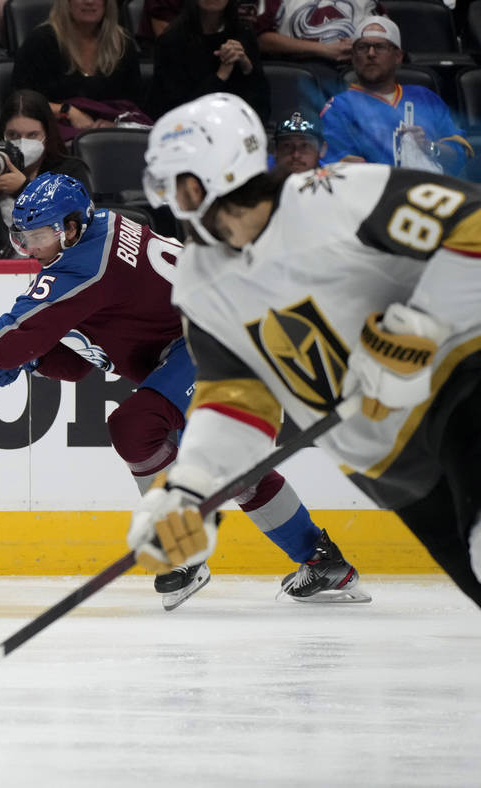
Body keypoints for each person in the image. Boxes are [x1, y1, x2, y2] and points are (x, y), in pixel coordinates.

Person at [0, 172, 367, 609]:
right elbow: (80, 346)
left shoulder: (85, 266)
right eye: (21, 238)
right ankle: (324, 563)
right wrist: (34, 361)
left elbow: (16, 332)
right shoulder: (99, 231)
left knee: (136, 427)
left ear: (69, 227)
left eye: (40, 236)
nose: (30, 249)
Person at [134, 91, 481, 609]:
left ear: (214, 176)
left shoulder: (337, 196)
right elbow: (237, 397)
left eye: (174, 183)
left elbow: (471, 222)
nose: (166, 198)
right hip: (391, 470)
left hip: (461, 394)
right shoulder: (199, 282)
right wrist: (191, 488)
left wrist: (422, 329)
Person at [320, 17, 472, 176]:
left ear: (398, 57)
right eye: (362, 47)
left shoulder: (425, 98)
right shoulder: (338, 108)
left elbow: (459, 155)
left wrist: (428, 146)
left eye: (380, 47)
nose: (371, 53)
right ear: (353, 57)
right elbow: (334, 167)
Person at [0, 89, 92, 258]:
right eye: (13, 135)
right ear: (2, 135)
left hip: (55, 272)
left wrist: (24, 190)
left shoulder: (70, 171)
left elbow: (80, 236)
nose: (22, 142)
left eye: (32, 135)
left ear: (47, 134)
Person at [11, 0, 145, 137]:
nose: (89, 2)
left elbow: (134, 104)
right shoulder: (41, 41)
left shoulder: (122, 43)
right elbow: (22, 101)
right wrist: (66, 111)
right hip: (55, 136)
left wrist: (116, 124)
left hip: (112, 137)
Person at [147, 0, 270, 121]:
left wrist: (247, 68)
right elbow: (176, 111)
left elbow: (262, 110)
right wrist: (221, 75)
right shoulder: (172, 41)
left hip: (237, 128)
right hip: (187, 132)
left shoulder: (244, 34)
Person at [270, 108, 325, 175]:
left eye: (305, 145)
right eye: (287, 145)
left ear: (322, 149)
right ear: (275, 150)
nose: (296, 155)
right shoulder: (258, 184)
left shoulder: (338, 183)